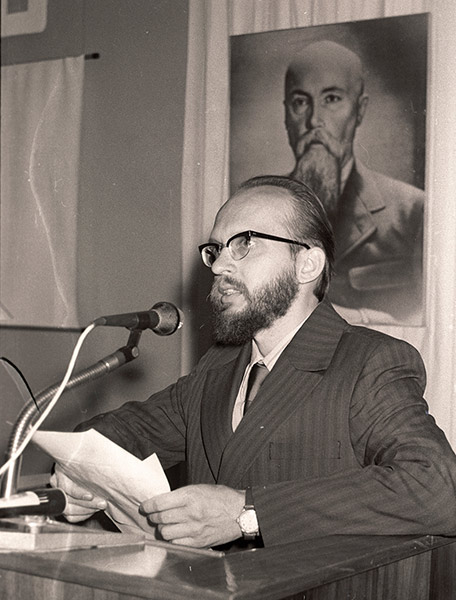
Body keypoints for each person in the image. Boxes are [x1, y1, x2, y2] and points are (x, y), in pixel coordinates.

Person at [52, 176, 456, 550]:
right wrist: (80, 474)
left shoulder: (369, 362)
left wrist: (248, 513)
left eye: (244, 243)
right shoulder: (219, 366)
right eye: (215, 250)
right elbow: (124, 431)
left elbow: (437, 488)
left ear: (307, 265)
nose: (219, 266)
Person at [284, 40, 424, 325]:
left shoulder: (412, 211)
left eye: (332, 99)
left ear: (359, 110)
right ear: (286, 115)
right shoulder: (257, 210)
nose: (314, 120)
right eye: (300, 102)